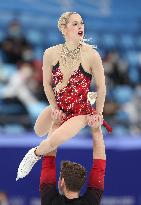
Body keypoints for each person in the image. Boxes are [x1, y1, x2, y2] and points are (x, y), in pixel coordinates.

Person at [16, 12, 111, 181]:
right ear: (64, 29)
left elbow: (102, 87)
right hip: (60, 106)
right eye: (75, 24)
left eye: (81, 23)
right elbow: (46, 84)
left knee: (53, 141)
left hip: (80, 111)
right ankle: (45, 138)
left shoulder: (92, 55)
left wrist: (98, 112)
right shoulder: (50, 53)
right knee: (38, 131)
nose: (80, 26)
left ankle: (33, 154)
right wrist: (54, 107)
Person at [40, 125, 106, 205]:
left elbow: (48, 162)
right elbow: (99, 165)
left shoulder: (50, 201)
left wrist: (56, 124)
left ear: (62, 182)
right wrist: (96, 128)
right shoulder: (91, 202)